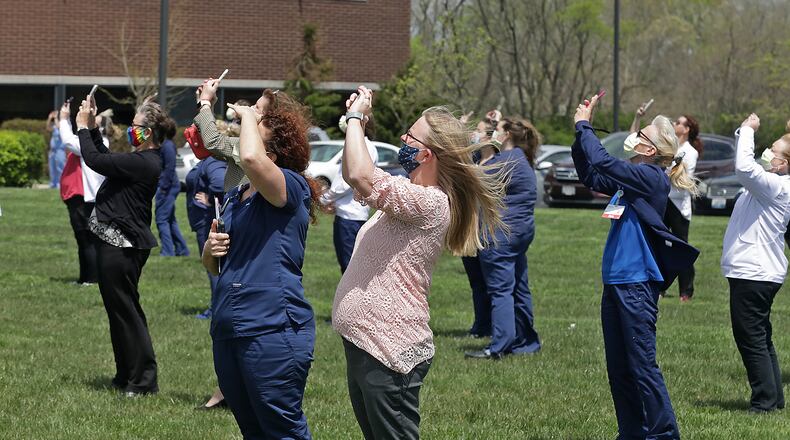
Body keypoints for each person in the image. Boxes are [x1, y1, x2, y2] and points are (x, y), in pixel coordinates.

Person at [333, 86, 506, 440]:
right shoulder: (408, 194)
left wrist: (354, 121)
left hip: (389, 350)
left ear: (427, 153)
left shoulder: (431, 203)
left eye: (409, 135)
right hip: (367, 345)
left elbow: (362, 177)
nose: (402, 138)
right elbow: (362, 172)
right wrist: (359, 126)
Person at [572, 93, 699, 439]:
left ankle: (663, 434)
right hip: (615, 283)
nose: (634, 139)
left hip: (636, 284)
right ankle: (632, 431)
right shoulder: (632, 180)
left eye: (640, 136)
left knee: (642, 365)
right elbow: (591, 173)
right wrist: (577, 135)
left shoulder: (651, 178)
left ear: (650, 150)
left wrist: (585, 125)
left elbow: (604, 161)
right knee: (619, 368)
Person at [202, 93, 319, 438]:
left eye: (259, 121)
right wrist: (211, 250)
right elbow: (214, 265)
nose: (249, 121)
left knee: (282, 431)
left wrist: (247, 115)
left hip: (271, 329)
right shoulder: (237, 195)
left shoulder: (290, 186)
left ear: (276, 150)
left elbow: (250, 156)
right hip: (229, 328)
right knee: (252, 430)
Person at [76, 95, 166, 396]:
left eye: (136, 126)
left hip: (123, 245)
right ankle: (126, 374)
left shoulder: (146, 162)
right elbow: (105, 160)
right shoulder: (138, 160)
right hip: (114, 242)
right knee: (118, 311)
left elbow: (95, 160)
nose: (131, 129)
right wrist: (91, 129)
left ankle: (143, 381)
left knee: (126, 311)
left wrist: (81, 128)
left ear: (149, 132)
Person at [721, 113, 790, 413]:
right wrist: (744, 134)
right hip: (758, 272)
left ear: (783, 163)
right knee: (761, 337)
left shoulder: (777, 187)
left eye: (771, 152)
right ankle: (773, 399)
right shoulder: (772, 184)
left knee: (750, 338)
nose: (766, 154)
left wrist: (748, 130)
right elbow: (746, 167)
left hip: (755, 272)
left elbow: (744, 167)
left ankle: (762, 402)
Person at [465, 116, 542, 359]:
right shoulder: (520, 158)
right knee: (518, 286)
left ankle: (499, 346)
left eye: (496, 129)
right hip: (519, 233)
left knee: (500, 290)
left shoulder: (505, 161)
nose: (491, 132)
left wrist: (480, 146)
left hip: (502, 235)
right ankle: (525, 341)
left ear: (507, 134)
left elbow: (472, 179)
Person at [319, 115, 378, 274]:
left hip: (349, 218)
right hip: (352, 215)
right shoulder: (365, 146)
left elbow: (347, 181)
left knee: (350, 269)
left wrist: (324, 199)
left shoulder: (361, 147)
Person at [58, 102, 109, 285]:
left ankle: (92, 279)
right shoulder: (89, 142)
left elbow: (68, 141)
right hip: (83, 198)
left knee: (87, 239)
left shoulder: (95, 144)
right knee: (82, 239)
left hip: (87, 199)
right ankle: (84, 278)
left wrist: (64, 119)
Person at [462, 111, 499, 338]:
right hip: (469, 228)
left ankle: (496, 326)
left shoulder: (496, 162)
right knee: (476, 281)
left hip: (487, 229)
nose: (475, 134)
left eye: (479, 131)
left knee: (491, 282)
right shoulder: (475, 158)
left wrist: (496, 121)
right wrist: (462, 127)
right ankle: (481, 325)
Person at [155, 118, 190, 257]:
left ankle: (167, 251)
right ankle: (182, 249)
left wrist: (162, 188)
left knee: (161, 219)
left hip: (168, 187)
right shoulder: (167, 144)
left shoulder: (167, 146)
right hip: (169, 186)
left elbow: (169, 169)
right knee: (169, 219)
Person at [46, 110, 66, 188]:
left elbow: (59, 127)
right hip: (53, 151)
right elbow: (48, 128)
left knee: (60, 168)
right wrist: (49, 118)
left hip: (60, 151)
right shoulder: (54, 126)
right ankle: (53, 183)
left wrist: (56, 118)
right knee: (52, 168)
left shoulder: (63, 126)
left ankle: (60, 184)